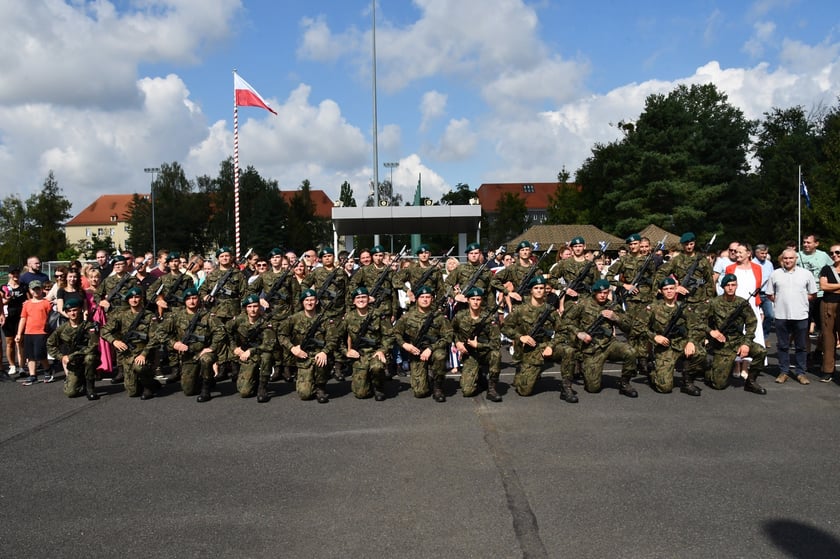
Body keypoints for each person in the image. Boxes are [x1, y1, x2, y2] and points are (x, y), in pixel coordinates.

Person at [501, 277, 575, 401]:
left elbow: (562, 331)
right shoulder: (520, 310)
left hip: (546, 346)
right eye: (536, 288)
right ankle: (521, 371)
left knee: (569, 351)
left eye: (542, 288)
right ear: (531, 291)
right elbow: (504, 327)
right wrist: (520, 337)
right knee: (524, 391)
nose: (539, 291)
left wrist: (551, 346)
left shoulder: (550, 310)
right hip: (528, 351)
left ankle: (566, 387)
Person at [562, 279, 638, 398]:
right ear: (594, 292)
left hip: (609, 344)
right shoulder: (583, 304)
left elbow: (628, 326)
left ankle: (625, 383)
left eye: (605, 292)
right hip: (592, 348)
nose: (603, 295)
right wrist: (579, 333)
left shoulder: (612, 306)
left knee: (630, 352)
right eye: (600, 292)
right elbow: (566, 322)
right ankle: (583, 365)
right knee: (593, 388)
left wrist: (616, 318)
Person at [153, 287, 227, 402]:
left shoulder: (206, 316)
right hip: (188, 355)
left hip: (204, 353)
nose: (192, 301)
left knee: (206, 360)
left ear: (199, 299)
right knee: (188, 390)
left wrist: (211, 348)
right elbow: (159, 332)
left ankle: (206, 388)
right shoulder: (177, 316)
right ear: (184, 301)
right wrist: (174, 343)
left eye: (194, 298)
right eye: (188, 299)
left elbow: (221, 332)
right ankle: (204, 377)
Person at [706, 274, 768, 394]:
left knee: (761, 351)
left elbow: (752, 323)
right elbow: (700, 322)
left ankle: (751, 381)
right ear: (723, 287)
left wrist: (746, 343)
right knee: (718, 384)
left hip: (738, 340)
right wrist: (711, 331)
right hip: (722, 345)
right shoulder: (714, 303)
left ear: (736, 286)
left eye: (733, 285)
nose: (730, 288)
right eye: (727, 285)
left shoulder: (742, 303)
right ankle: (710, 370)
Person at [644, 278, 706, 395]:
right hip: (664, 347)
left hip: (681, 343)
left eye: (671, 288)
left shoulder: (684, 307)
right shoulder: (653, 308)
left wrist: (691, 342)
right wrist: (655, 337)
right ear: (661, 291)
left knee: (700, 353)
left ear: (676, 290)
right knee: (665, 388)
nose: (669, 291)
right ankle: (653, 372)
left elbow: (693, 327)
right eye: (665, 289)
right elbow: (639, 328)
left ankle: (687, 381)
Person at [100, 287, 161, 399]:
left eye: (137, 297)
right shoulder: (121, 315)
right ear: (128, 300)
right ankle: (150, 382)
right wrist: (114, 341)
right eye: (131, 297)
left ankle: (149, 387)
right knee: (132, 392)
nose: (134, 300)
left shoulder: (149, 315)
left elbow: (155, 338)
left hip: (145, 354)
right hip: (128, 354)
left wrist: (144, 354)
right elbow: (104, 331)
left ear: (141, 299)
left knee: (139, 367)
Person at [394, 285, 453, 402]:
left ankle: (438, 387)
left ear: (432, 299)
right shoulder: (408, 316)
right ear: (417, 299)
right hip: (416, 353)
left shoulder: (439, 317)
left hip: (433, 351)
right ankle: (427, 378)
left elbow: (449, 336)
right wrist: (405, 345)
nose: (425, 299)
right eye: (422, 297)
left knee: (440, 355)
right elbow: (394, 333)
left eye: (428, 297)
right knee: (420, 392)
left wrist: (431, 348)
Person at [767, 249, 817, 384]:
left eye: (791, 258)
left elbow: (813, 294)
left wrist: (799, 299)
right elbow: (770, 294)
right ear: (782, 259)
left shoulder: (806, 274)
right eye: (785, 258)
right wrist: (781, 301)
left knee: (801, 346)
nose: (788, 261)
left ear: (796, 259)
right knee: (783, 345)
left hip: (800, 315)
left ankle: (801, 373)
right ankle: (784, 371)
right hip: (781, 314)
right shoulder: (775, 274)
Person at [278, 288, 338, 403]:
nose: (309, 302)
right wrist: (292, 348)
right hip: (303, 356)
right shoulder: (294, 318)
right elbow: (281, 335)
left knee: (322, 361)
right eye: (306, 300)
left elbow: (333, 339)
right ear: (302, 302)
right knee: (305, 394)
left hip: (319, 356)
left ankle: (321, 387)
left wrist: (324, 351)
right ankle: (309, 382)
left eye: (312, 300)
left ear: (316, 301)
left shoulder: (324, 318)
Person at [338, 286, 393, 400]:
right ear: (353, 301)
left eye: (364, 297)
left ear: (369, 299)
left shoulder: (378, 314)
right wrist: (347, 351)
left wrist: (382, 350)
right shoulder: (349, 317)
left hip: (375, 353)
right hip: (359, 355)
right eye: (358, 298)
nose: (361, 300)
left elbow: (389, 336)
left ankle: (379, 387)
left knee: (377, 368)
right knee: (361, 394)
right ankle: (368, 381)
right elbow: (337, 338)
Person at [451, 287, 503, 401]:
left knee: (496, 354)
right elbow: (451, 331)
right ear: (468, 300)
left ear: (482, 301)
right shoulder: (460, 316)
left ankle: (492, 388)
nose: (475, 302)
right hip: (470, 355)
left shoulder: (489, 318)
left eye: (478, 299)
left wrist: (478, 345)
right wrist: (457, 342)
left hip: (486, 353)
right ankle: (478, 375)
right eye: (473, 299)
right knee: (467, 391)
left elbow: (496, 343)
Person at [46, 297, 100, 400]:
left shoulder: (88, 326)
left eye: (75, 310)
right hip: (73, 363)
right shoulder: (62, 328)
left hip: (87, 357)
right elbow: (50, 344)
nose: (73, 313)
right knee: (70, 392)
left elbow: (93, 346)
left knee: (90, 358)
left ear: (80, 310)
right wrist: (61, 357)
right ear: (66, 312)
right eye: (69, 311)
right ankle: (81, 380)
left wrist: (71, 356)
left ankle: (90, 388)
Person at [227, 294, 277, 402]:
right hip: (246, 356)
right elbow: (225, 332)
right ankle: (253, 377)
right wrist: (234, 347)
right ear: (245, 308)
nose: (253, 309)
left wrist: (251, 350)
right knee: (244, 392)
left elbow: (269, 344)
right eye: (249, 307)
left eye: (255, 306)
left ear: (259, 307)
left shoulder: (266, 322)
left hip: (260, 353)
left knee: (267, 356)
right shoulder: (239, 320)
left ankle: (263, 387)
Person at [15, 280, 53, 385]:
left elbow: (51, 318)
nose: (36, 291)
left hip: (41, 332)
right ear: (30, 290)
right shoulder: (27, 304)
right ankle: (33, 375)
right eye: (34, 289)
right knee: (30, 355)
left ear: (42, 289)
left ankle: (47, 370)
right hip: (29, 332)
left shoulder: (46, 303)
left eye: (38, 289)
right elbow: (23, 318)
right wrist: (19, 333)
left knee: (40, 354)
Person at [818, 244, 840, 382]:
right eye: (831, 253)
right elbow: (823, 286)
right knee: (828, 338)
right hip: (828, 305)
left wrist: (833, 287)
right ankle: (828, 370)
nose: (834, 255)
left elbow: (828, 286)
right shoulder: (826, 269)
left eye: (838, 252)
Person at [1, 266, 27, 379]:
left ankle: (21, 366)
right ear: (9, 275)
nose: (15, 275)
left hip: (20, 317)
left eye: (17, 273)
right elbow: (1, 303)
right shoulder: (3, 287)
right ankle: (12, 365)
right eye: (13, 273)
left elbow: (28, 300)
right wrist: (7, 299)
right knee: (9, 342)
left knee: (20, 341)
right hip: (8, 317)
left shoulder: (23, 287)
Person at [753, 244, 776, 336]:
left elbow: (772, 278)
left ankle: (764, 336)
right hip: (755, 293)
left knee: (770, 315)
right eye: (762, 253)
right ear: (756, 253)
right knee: (754, 317)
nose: (764, 255)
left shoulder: (769, 264)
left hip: (766, 294)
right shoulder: (752, 263)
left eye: (766, 253)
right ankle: (754, 336)